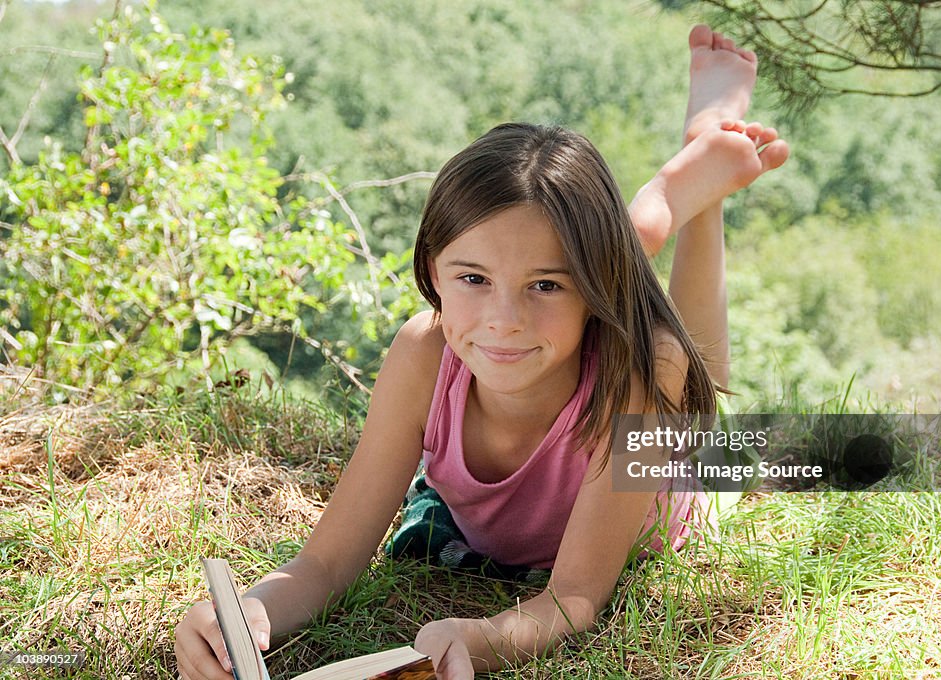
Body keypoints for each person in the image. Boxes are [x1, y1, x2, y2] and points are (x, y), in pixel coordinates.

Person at [174, 25, 788, 680]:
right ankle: (657, 203)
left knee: (684, 368)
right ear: (433, 271)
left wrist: (488, 636)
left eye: (544, 286)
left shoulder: (635, 378)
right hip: (586, 297)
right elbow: (321, 566)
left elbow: (574, 596)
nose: (502, 320)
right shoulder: (424, 353)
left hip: (662, 472)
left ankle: (693, 178)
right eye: (471, 279)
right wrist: (249, 609)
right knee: (581, 263)